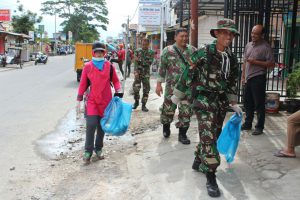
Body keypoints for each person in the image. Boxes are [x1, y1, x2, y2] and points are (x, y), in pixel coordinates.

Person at [172, 19, 242, 197]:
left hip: (219, 104)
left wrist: (234, 103)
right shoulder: (203, 53)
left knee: (214, 135)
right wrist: (178, 95)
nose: (229, 36)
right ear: (217, 34)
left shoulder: (231, 58)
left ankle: (198, 158)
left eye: (231, 33)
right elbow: (188, 72)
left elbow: (232, 81)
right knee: (209, 138)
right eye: (225, 32)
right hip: (203, 101)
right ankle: (210, 175)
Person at [76, 42, 123, 165]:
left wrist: (119, 91)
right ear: (93, 52)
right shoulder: (88, 66)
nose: (99, 53)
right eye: (97, 51)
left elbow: (116, 81)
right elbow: (83, 83)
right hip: (92, 101)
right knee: (91, 125)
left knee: (102, 126)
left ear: (104, 53)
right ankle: (88, 151)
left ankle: (98, 148)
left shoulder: (109, 66)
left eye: (101, 51)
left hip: (106, 101)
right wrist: (79, 97)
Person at [155, 28, 196, 145]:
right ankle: (166, 127)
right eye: (181, 36)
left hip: (187, 88)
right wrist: (159, 85)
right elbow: (162, 69)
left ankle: (182, 134)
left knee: (186, 111)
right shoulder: (168, 51)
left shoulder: (192, 50)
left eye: (186, 36)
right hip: (171, 88)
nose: (184, 38)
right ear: (175, 37)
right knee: (168, 110)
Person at [241, 25, 275, 135]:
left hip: (258, 78)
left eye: (256, 33)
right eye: (252, 32)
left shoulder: (266, 47)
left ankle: (259, 127)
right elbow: (245, 62)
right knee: (247, 103)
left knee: (259, 104)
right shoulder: (248, 45)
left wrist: (256, 62)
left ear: (262, 35)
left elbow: (271, 64)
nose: (253, 35)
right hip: (248, 78)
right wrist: (243, 76)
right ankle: (247, 123)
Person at [132, 39, 155, 112]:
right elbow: (135, 63)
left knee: (146, 90)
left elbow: (149, 63)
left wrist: (139, 60)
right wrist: (135, 72)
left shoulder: (151, 52)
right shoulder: (137, 51)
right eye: (143, 44)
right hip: (138, 73)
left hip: (146, 74)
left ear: (148, 44)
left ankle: (144, 105)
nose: (144, 46)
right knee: (136, 89)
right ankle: (136, 102)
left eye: (145, 45)